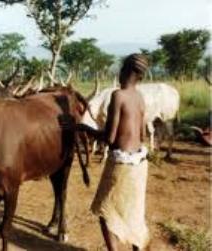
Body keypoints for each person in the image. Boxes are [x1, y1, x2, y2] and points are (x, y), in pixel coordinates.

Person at [63, 54, 150, 250]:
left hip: (122, 164)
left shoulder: (118, 96)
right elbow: (143, 135)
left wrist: (84, 128)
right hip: (140, 163)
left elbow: (109, 139)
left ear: (125, 72)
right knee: (134, 213)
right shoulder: (140, 97)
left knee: (105, 211)